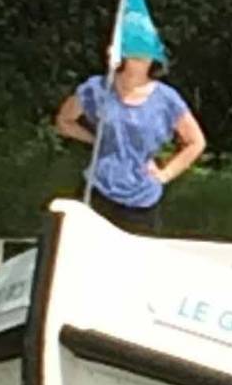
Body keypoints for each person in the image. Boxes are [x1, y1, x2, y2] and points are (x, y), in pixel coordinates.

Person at [54, 26, 205, 233]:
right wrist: (97, 141)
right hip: (97, 189)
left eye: (144, 56)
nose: (139, 62)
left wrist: (166, 174)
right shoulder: (97, 88)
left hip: (142, 201)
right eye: (134, 55)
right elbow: (64, 121)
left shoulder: (167, 99)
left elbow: (196, 142)